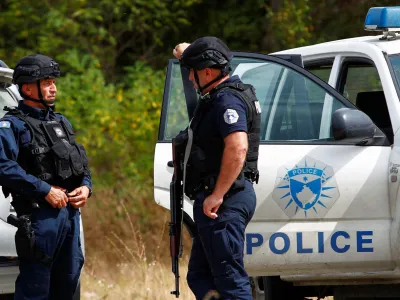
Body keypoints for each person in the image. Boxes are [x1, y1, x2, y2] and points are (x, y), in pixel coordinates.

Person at [173, 37, 261, 300]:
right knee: (199, 276)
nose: (190, 79)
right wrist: (186, 55)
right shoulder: (227, 91)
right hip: (221, 201)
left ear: (208, 72)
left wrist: (218, 194)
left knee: (230, 281)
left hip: (225, 201)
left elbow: (238, 148)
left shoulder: (226, 102)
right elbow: (191, 55)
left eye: (193, 73)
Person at [0, 54, 92, 300]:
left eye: (53, 82)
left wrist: (86, 187)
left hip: (69, 216)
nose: (53, 88)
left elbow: (79, 163)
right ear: (28, 87)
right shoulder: (12, 125)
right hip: (39, 218)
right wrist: (44, 190)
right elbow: (4, 167)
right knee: (36, 289)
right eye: (47, 82)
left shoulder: (61, 122)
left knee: (69, 281)